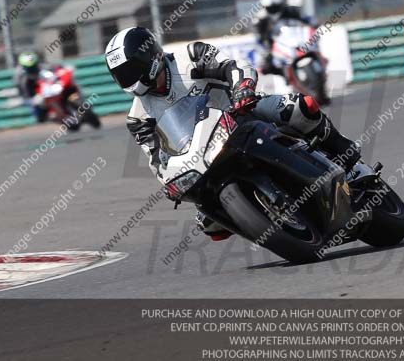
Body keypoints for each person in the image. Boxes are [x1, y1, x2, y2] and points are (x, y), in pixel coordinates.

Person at [104, 27, 359, 240]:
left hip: (241, 113)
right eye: (120, 76)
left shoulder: (189, 57)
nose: (127, 79)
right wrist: (168, 183)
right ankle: (266, 217)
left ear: (147, 57)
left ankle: (341, 150)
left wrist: (243, 88)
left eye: (129, 71)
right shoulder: (138, 117)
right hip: (201, 153)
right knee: (209, 223)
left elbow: (233, 65)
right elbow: (156, 158)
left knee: (297, 107)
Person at [254, 0, 314, 75]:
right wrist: (266, 51)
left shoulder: (291, 10)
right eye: (271, 8)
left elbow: (308, 19)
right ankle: (286, 76)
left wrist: (313, 23)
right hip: (276, 44)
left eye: (276, 7)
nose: (274, 10)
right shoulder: (260, 19)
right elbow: (259, 39)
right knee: (264, 66)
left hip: (297, 38)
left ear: (282, 4)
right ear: (265, 7)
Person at [14, 52, 48, 123]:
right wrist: (28, 98)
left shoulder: (41, 66)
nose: (31, 69)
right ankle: (40, 115)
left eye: (33, 66)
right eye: (28, 68)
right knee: (35, 107)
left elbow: (51, 69)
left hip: (45, 88)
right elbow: (20, 88)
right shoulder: (19, 74)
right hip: (30, 93)